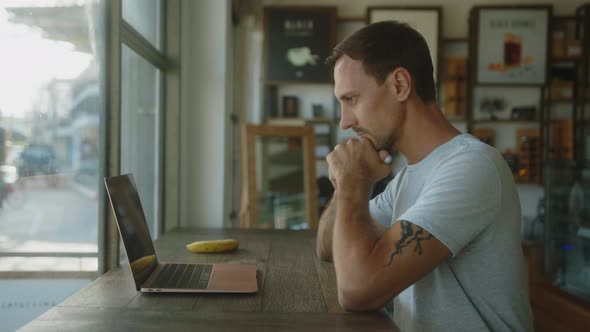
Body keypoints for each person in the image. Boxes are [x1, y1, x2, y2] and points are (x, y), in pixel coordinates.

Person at [316, 21, 533, 332]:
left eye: (351, 100)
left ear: (400, 85)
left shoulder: (471, 167)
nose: (345, 122)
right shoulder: (408, 177)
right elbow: (326, 249)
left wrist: (354, 183)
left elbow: (357, 290)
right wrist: (345, 183)